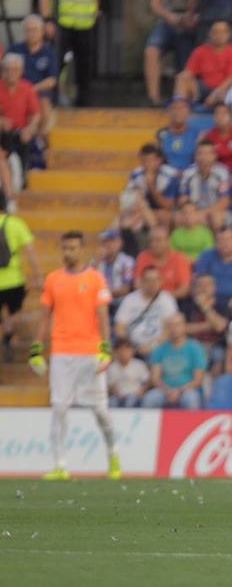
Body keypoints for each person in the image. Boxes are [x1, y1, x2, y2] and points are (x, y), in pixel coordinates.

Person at [29, 231, 119, 480]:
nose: (68, 253)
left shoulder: (95, 279)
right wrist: (37, 346)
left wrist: (105, 347)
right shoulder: (53, 280)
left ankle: (113, 452)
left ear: (82, 250)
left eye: (73, 248)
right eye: (65, 248)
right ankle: (60, 464)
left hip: (90, 352)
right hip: (61, 352)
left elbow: (102, 316)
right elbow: (45, 315)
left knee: (100, 411)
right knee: (59, 407)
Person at [40, 0, 99, 107]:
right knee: (57, 62)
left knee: (84, 65)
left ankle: (83, 102)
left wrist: (95, 11)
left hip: (85, 24)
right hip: (62, 24)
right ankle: (53, 99)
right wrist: (47, 21)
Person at [144, 0, 201, 106]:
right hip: (168, 21)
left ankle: (184, 102)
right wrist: (169, 16)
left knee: (187, 63)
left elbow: (205, 1)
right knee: (152, 50)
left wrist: (193, 18)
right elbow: (155, 4)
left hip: (191, 24)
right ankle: (154, 97)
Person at [0, 194, 38, 361]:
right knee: (15, 312)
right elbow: (30, 251)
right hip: (14, 279)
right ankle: (8, 333)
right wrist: (37, 275)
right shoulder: (16, 224)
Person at [142, 312, 207, 408]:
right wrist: (168, 391)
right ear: (167, 328)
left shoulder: (195, 348)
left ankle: (192, 423)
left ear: (184, 326)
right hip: (164, 390)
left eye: (177, 325)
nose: (174, 329)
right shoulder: (160, 349)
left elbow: (198, 379)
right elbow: (155, 378)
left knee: (191, 399)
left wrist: (179, 391)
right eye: (171, 326)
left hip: (187, 390)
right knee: (150, 398)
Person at [176, 20, 232, 105]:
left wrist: (215, 94)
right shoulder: (200, 51)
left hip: (224, 89)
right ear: (210, 34)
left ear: (228, 35)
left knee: (226, 95)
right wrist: (186, 79)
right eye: (216, 32)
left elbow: (231, 78)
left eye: (223, 32)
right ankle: (180, 108)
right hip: (204, 87)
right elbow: (188, 72)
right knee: (182, 77)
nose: (219, 35)